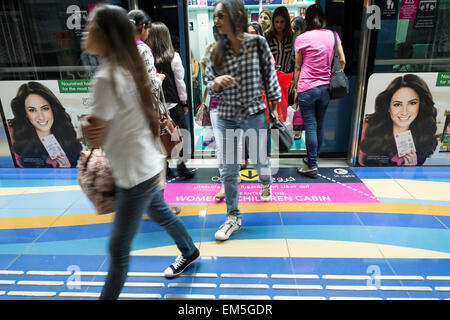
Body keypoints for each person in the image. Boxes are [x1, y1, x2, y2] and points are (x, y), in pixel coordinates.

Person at [81, 4, 199, 300]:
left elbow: (97, 131)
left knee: (118, 250)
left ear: (105, 34)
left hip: (134, 175)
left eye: (91, 27)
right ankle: (190, 250)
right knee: (161, 214)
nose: (86, 32)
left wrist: (86, 126)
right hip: (145, 166)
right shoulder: (126, 65)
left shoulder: (107, 77)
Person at [205, 0, 281, 241]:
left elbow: (270, 75)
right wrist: (215, 83)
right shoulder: (216, 50)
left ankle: (265, 182)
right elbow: (208, 79)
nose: (216, 21)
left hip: (254, 114)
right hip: (227, 115)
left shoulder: (257, 43)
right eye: (215, 16)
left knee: (259, 160)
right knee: (229, 169)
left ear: (236, 16)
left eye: (220, 16)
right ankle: (233, 217)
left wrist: (275, 106)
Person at [294, 3, 346, 178]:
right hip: (325, 88)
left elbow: (298, 67)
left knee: (310, 125)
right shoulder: (333, 35)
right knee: (319, 124)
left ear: (307, 19)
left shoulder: (302, 38)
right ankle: (312, 159)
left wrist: (295, 89)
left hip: (306, 88)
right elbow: (343, 61)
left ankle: (312, 165)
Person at [147, 22, 195, 180]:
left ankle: (164, 167)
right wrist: (184, 102)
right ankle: (182, 167)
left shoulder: (146, 58)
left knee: (158, 136)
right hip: (173, 104)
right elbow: (180, 83)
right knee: (182, 134)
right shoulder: (174, 57)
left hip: (154, 106)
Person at [359, 74, 438, 166]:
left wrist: (410, 173)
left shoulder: (424, 136)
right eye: (397, 104)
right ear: (388, 107)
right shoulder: (367, 129)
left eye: (412, 103)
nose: (404, 112)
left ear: (421, 106)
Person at [8, 81, 82, 168]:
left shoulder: (66, 135)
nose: (41, 117)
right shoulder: (13, 134)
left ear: (53, 109)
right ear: (25, 114)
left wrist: (66, 171)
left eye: (45, 108)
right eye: (32, 110)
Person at [127, 9, 164, 95]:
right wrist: (159, 79)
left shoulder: (118, 46)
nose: (148, 34)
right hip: (139, 103)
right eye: (148, 31)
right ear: (143, 28)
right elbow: (152, 86)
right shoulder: (143, 49)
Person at [290, 16, 307, 140]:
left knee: (298, 106)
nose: (293, 32)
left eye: (296, 29)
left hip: (301, 79)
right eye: (292, 29)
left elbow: (299, 66)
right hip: (289, 77)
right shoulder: (290, 43)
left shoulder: (304, 44)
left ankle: (298, 130)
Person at [265, 6, 294, 74]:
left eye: (282, 22)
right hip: (270, 75)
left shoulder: (291, 36)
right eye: (276, 22)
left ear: (286, 22)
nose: (279, 25)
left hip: (286, 75)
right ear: (273, 22)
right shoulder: (267, 36)